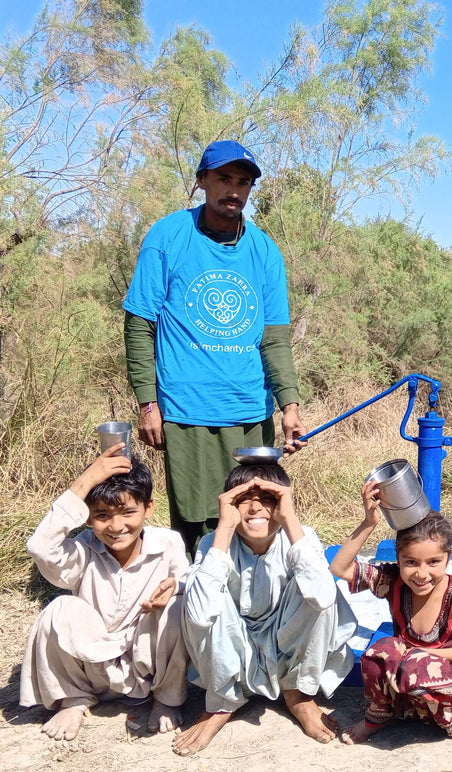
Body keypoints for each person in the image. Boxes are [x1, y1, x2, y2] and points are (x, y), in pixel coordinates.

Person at [123, 139, 307, 554]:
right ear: (202, 180)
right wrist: (148, 404)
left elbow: (274, 338)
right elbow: (139, 326)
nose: (234, 190)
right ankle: (200, 606)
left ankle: (251, 609)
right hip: (187, 411)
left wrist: (289, 405)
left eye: (243, 182)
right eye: (224, 178)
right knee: (197, 521)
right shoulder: (169, 236)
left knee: (256, 516)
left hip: (249, 414)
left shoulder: (264, 251)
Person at [173, 463, 356, 756]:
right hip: (235, 645)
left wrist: (290, 520)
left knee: (318, 587)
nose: (255, 508)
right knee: (199, 594)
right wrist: (224, 529)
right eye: (244, 499)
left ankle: (298, 694)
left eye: (268, 499)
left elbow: (323, 598)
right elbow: (198, 615)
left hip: (286, 642)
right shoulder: (214, 542)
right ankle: (222, 702)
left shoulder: (299, 535)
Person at [20, 445, 188, 741]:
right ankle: (73, 699)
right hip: (92, 669)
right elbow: (40, 547)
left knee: (179, 605)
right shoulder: (82, 550)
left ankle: (167, 698)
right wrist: (83, 483)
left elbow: (189, 583)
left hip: (145, 670)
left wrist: (175, 587)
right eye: (102, 515)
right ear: (87, 517)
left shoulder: (168, 543)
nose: (116, 526)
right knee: (59, 609)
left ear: (148, 508)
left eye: (127, 512)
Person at [330, 485, 452, 753]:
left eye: (433, 562)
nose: (421, 574)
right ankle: (379, 716)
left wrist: (425, 653)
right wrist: (369, 522)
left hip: (444, 689)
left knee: (419, 663)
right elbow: (340, 568)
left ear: (448, 557)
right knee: (377, 652)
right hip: (403, 690)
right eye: (411, 562)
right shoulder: (393, 581)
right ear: (398, 559)